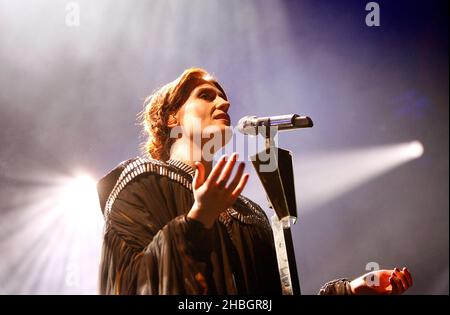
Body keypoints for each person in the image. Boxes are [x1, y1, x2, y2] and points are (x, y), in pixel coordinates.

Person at [96, 68, 413, 295]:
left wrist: (352, 291)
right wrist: (197, 221)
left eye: (224, 99)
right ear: (171, 117)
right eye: (206, 96)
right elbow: (130, 284)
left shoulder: (250, 213)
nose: (224, 104)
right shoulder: (141, 182)